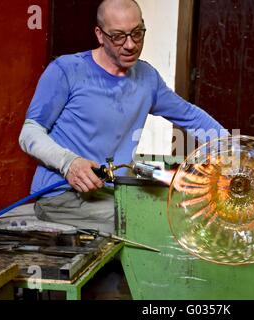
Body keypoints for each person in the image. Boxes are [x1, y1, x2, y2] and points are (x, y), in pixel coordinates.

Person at [19, 0, 227, 236]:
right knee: (158, 224)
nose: (130, 45)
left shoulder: (147, 78)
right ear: (100, 34)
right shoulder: (67, 70)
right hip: (62, 197)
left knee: (182, 210)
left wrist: (237, 153)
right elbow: (29, 133)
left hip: (112, 193)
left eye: (137, 33)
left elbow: (190, 116)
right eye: (118, 36)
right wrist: (69, 163)